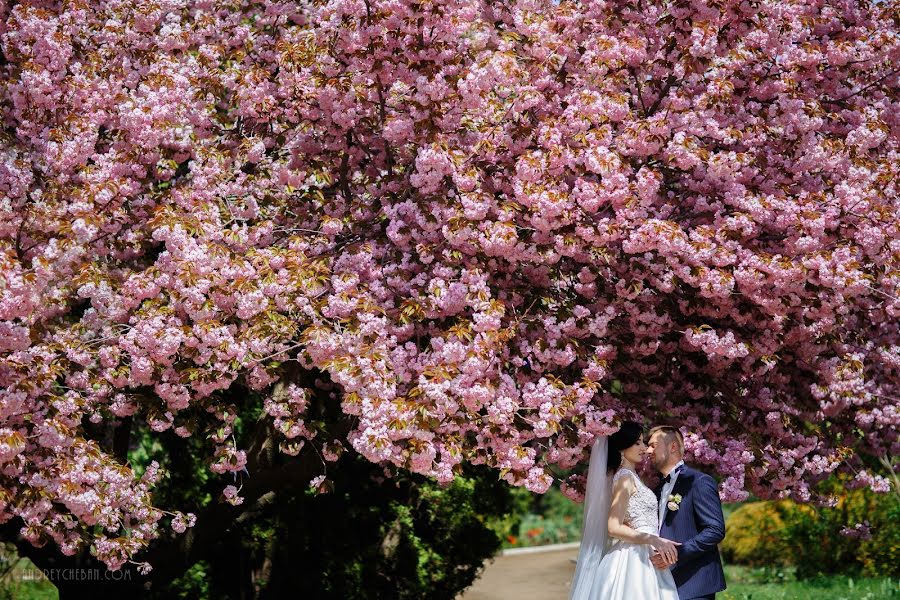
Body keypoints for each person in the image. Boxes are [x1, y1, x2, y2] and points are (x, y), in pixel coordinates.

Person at [569, 421, 680, 600]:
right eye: (638, 443)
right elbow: (613, 527)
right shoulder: (625, 478)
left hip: (645, 552)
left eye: (643, 442)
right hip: (635, 557)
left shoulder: (631, 477)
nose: (644, 448)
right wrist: (653, 539)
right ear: (622, 447)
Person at [646, 426, 726, 600]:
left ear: (672, 447)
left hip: (694, 584)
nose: (647, 450)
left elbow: (715, 530)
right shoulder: (657, 489)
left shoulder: (699, 482)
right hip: (662, 583)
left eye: (653, 445)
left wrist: (677, 554)